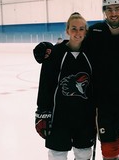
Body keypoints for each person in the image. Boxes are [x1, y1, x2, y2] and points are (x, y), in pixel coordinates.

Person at [34, 0, 119, 160]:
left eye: (117, 8)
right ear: (104, 11)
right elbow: (74, 42)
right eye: (109, 9)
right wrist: (48, 49)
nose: (113, 13)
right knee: (109, 150)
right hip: (104, 107)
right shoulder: (95, 33)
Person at [34, 12, 96, 160]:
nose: (77, 32)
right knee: (57, 155)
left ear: (86, 31)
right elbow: (46, 85)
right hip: (59, 117)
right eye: (73, 28)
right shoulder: (55, 54)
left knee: (84, 154)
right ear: (67, 30)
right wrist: (42, 112)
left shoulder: (92, 54)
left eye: (81, 29)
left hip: (85, 117)